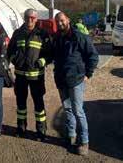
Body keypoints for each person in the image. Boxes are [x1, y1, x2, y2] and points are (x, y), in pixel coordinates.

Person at [52, 12, 98, 156]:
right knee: (68, 109)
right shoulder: (57, 38)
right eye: (57, 22)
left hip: (76, 80)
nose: (60, 24)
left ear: (68, 20)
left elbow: (93, 56)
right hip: (61, 80)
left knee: (78, 111)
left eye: (62, 21)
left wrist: (88, 74)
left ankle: (84, 141)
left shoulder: (79, 37)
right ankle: (71, 135)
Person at [7, 8, 51, 141]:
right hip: (20, 75)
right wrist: (15, 59)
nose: (30, 20)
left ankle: (41, 130)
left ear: (36, 19)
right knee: (21, 103)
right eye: (27, 17)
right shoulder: (17, 33)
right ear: (24, 18)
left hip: (36, 76)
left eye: (32, 18)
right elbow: (10, 51)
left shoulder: (42, 34)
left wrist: (42, 61)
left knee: (38, 103)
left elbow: (50, 53)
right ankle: (21, 128)